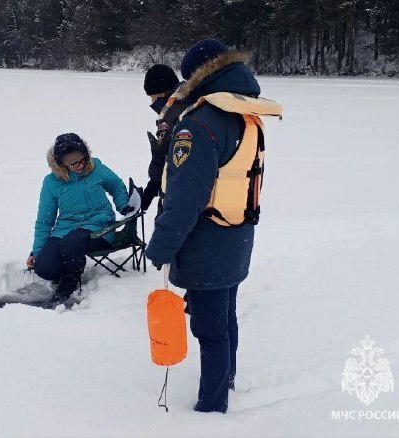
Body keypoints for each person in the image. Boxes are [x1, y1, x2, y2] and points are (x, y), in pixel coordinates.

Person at [145, 39, 265, 414]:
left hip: (207, 245)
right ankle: (225, 380)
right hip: (237, 237)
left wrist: (161, 246)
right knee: (225, 318)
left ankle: (212, 407)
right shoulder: (246, 115)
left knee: (211, 330)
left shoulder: (197, 125)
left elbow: (185, 200)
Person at [27, 133, 132, 303]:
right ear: (61, 164)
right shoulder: (51, 182)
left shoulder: (96, 168)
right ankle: (64, 269)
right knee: (45, 268)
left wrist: (123, 205)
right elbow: (45, 219)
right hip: (65, 228)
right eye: (73, 163)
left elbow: (117, 186)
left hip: (99, 225)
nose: (80, 165)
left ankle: (71, 279)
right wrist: (37, 251)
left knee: (70, 244)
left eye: (82, 160)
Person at [141, 64, 191, 215]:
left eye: (152, 96)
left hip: (177, 198)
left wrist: (155, 182)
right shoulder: (180, 105)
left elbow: (164, 151)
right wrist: (154, 181)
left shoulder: (174, 112)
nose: (152, 102)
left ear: (162, 93)